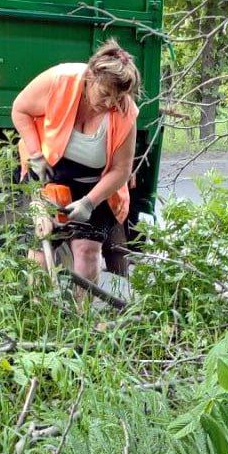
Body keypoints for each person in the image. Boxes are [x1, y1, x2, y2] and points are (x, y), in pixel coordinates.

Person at [11, 39, 140, 286]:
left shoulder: (125, 112)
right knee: (40, 247)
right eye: (104, 94)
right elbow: (20, 109)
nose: (110, 104)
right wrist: (36, 154)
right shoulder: (59, 80)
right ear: (91, 77)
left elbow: (122, 170)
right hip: (47, 175)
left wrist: (89, 203)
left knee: (87, 250)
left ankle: (84, 317)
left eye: (118, 98)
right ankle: (40, 312)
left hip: (94, 186)